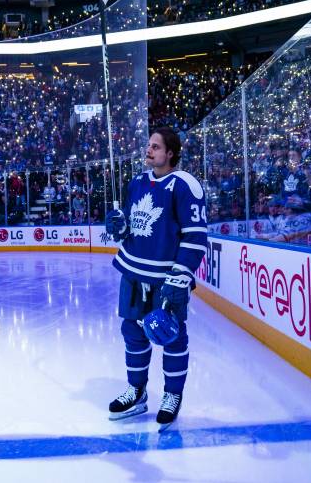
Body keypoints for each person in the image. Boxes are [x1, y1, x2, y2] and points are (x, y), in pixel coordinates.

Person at [105, 127, 207, 431]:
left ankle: (172, 395)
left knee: (172, 336)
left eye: (156, 147)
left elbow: (195, 236)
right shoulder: (136, 182)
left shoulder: (185, 185)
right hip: (133, 272)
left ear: (171, 153)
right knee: (132, 332)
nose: (149, 150)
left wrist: (181, 275)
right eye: (148, 146)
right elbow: (129, 228)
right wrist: (118, 226)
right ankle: (136, 391)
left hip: (167, 277)